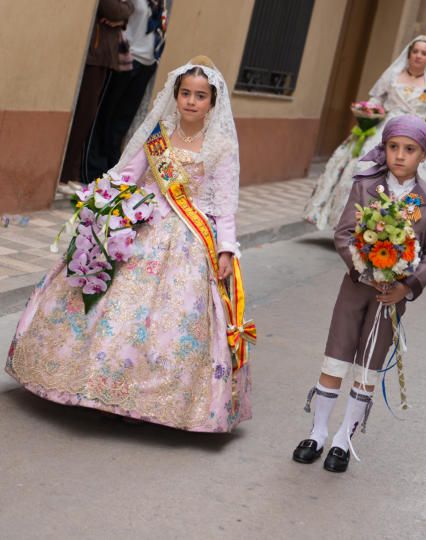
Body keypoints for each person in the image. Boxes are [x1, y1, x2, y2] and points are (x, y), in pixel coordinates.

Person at [6, 57, 252, 431]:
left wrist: (225, 249)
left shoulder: (220, 147)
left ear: (212, 102)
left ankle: (148, 396)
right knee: (107, 302)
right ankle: (87, 383)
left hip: (188, 236)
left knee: (167, 318)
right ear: (175, 94)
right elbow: (126, 176)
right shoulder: (157, 135)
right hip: (140, 225)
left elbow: (224, 205)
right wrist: (99, 210)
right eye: (185, 92)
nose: (190, 101)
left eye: (200, 96)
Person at [291, 115, 426, 473]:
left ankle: (344, 439)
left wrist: (406, 286)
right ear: (385, 149)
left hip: (389, 301)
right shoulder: (365, 186)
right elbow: (344, 234)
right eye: (393, 147)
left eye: (409, 149)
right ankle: (317, 433)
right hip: (355, 288)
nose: (400, 156)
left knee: (368, 367)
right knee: (335, 359)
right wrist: (363, 269)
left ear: (423, 155)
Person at [304, 36, 426, 231]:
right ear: (409, 54)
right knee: (365, 168)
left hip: (416, 133)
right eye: (415, 52)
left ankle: (403, 229)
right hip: (388, 129)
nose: (418, 56)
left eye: (423, 53)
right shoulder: (393, 76)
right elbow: (376, 100)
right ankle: (356, 223)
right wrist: (367, 114)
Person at [91, 0, 170, 177]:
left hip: (147, 59)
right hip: (127, 56)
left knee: (125, 115)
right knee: (108, 110)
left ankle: (112, 163)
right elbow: (117, 15)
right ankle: (96, 163)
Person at [60, 0, 134, 186]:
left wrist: (122, 13)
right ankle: (67, 173)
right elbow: (114, 8)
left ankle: (70, 172)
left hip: (104, 56)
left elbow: (119, 13)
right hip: (96, 53)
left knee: (89, 116)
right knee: (84, 116)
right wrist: (125, 10)